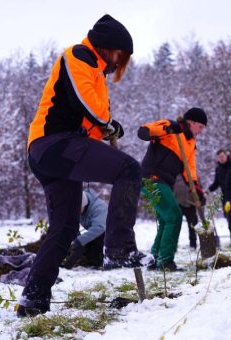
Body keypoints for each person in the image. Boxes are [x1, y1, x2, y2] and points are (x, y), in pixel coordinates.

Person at [18, 15, 143, 317]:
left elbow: (90, 119)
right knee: (129, 170)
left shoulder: (97, 72)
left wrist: (105, 128)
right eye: (119, 56)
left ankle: (33, 298)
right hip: (53, 144)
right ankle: (119, 249)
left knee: (64, 229)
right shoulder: (79, 56)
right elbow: (88, 104)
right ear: (108, 47)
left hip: (58, 152)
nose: (119, 63)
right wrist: (107, 123)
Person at [138, 108, 207, 271]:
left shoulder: (191, 144)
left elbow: (189, 170)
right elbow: (144, 131)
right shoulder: (171, 126)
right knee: (174, 216)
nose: (201, 131)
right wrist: (167, 129)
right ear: (191, 122)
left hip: (165, 182)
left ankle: (155, 258)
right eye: (200, 127)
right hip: (151, 178)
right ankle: (165, 261)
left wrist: (196, 188)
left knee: (165, 219)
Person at [62, 188, 108, 269]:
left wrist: (79, 241)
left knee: (93, 238)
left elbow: (99, 228)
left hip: (108, 235)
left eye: (78, 209)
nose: (76, 212)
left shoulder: (99, 208)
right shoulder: (81, 210)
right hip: (93, 233)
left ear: (84, 204)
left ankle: (96, 261)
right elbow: (76, 227)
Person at [208, 149, 231, 236]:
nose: (221, 158)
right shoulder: (218, 169)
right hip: (225, 197)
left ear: (226, 156)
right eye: (219, 157)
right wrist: (209, 190)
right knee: (228, 218)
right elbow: (216, 183)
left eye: (223, 156)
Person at [173, 175, 198, 249]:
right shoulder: (174, 174)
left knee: (192, 225)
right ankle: (174, 245)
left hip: (190, 204)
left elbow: (199, 188)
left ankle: (193, 245)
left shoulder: (191, 174)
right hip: (177, 204)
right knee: (175, 226)